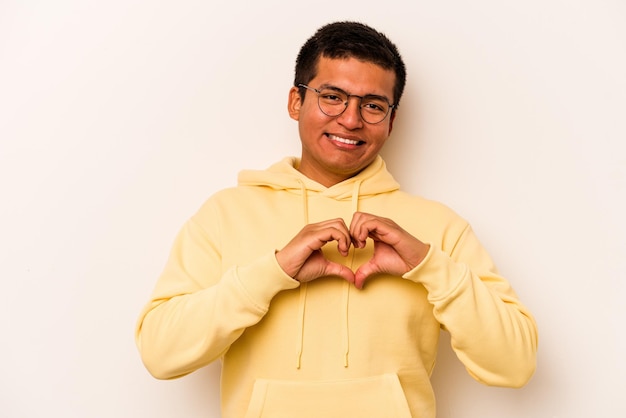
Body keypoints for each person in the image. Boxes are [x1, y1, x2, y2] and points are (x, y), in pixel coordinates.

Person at [135, 21, 538, 418]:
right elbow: (160, 354)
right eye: (332, 97)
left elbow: (514, 365)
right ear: (296, 101)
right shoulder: (225, 215)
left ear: (392, 120)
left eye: (373, 105)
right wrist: (272, 272)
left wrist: (430, 267)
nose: (351, 119)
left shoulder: (438, 227)